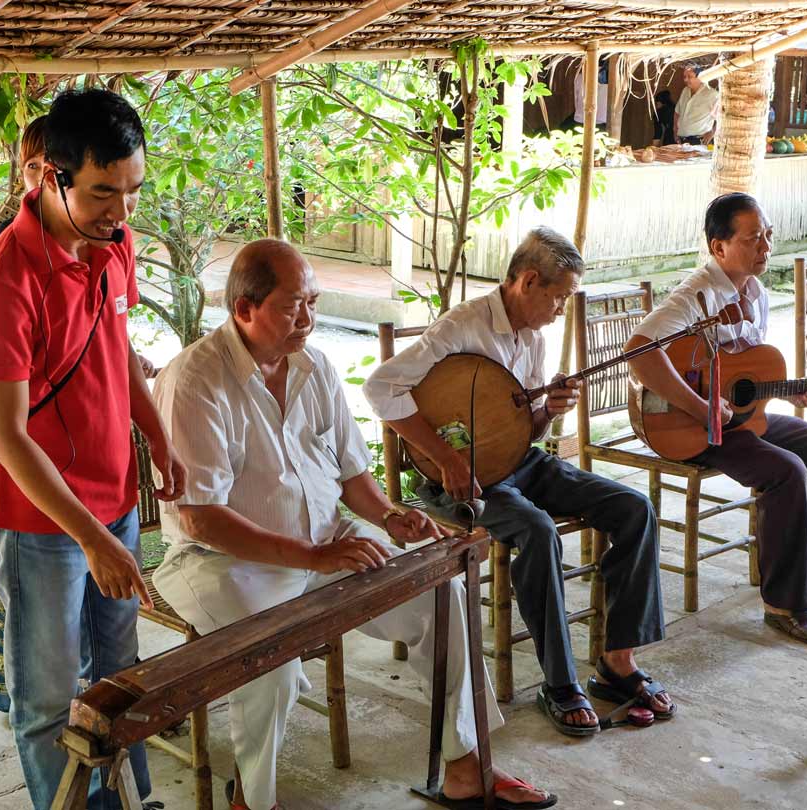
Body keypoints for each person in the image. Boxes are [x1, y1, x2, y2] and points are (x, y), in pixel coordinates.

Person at [151, 239, 556, 810]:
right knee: (269, 662)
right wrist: (314, 558)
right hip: (225, 563)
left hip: (326, 541)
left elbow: (350, 476)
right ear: (244, 309)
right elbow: (200, 517)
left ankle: (467, 767)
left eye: (314, 302)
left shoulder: (313, 365)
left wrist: (392, 517)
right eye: (294, 306)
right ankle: (251, 800)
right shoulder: (196, 379)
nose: (309, 320)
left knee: (442, 594)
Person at [0, 88, 185, 810]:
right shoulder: (6, 279)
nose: (120, 213)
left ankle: (128, 800)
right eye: (100, 193)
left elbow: (118, 349)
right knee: (48, 701)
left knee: (120, 674)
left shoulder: (112, 246)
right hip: (42, 526)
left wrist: (156, 437)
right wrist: (92, 540)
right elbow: (7, 435)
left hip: (112, 501)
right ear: (47, 175)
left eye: (131, 192)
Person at [365, 226, 673, 737]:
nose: (560, 311)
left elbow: (521, 430)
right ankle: (560, 682)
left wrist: (547, 412)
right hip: (462, 481)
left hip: (521, 463)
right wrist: (445, 456)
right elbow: (380, 388)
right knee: (537, 530)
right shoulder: (460, 329)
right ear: (528, 281)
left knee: (633, 507)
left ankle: (618, 661)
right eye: (558, 299)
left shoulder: (534, 335)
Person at [626, 193, 807, 647]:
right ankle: (785, 605)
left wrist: (789, 390)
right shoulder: (695, 296)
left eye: (768, 235)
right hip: (693, 427)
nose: (766, 246)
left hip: (738, 421)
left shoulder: (756, 291)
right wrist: (699, 406)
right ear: (719, 248)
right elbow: (638, 351)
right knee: (786, 471)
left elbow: (746, 375)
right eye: (754, 238)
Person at [0, 114, 48, 715]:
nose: (37, 179)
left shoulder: (105, 242)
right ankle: (21, 702)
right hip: (16, 456)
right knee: (19, 608)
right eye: (31, 167)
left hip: (86, 481)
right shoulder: (5, 257)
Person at [675, 64, 719, 146]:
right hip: (683, 141)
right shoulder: (685, 91)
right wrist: (675, 130)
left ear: (700, 77)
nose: (685, 79)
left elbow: (722, 117)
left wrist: (712, 132)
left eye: (689, 76)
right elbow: (677, 112)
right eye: (684, 76)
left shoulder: (712, 95)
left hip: (700, 141)